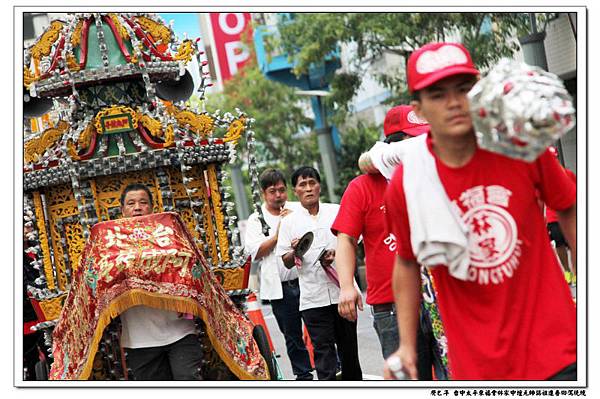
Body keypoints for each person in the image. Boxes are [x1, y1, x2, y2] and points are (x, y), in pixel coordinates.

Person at [379, 42, 576, 380]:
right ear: (420, 109)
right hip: (479, 368)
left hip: (557, 350)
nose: (454, 103)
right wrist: (408, 346)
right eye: (438, 94)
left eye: (463, 89)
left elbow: (569, 207)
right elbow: (408, 261)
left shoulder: (517, 142)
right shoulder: (409, 181)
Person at [332, 105, 429, 361]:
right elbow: (346, 239)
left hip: (438, 300)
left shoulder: (430, 176)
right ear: (395, 144)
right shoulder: (361, 187)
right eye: (414, 139)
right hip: (391, 305)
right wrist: (346, 287)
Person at [276, 166, 362, 380]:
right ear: (295, 190)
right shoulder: (288, 222)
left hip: (343, 292)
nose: (308, 189)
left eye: (312, 183)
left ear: (319, 186)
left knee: (350, 353)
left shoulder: (337, 210)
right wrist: (296, 252)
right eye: (302, 185)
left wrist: (338, 253)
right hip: (313, 300)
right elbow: (286, 262)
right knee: (324, 356)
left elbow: (354, 241)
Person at [118, 183, 203, 380]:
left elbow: (190, 264)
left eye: (143, 202)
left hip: (179, 331)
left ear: (152, 208)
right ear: (122, 211)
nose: (137, 207)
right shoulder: (112, 246)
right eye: (131, 203)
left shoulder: (171, 235)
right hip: (139, 340)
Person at [244, 169, 314, 380]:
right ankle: (304, 376)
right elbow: (255, 252)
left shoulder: (297, 209)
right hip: (281, 289)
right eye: (273, 191)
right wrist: (279, 232)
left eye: (282, 190)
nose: (278, 196)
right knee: (292, 336)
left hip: (307, 280)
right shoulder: (257, 218)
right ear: (264, 193)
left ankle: (332, 368)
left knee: (319, 328)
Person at [545, 147, 577, 284]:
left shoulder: (568, 173)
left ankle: (576, 272)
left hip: (569, 214)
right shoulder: (544, 177)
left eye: (555, 158)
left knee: (574, 243)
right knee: (559, 242)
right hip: (552, 216)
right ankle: (567, 271)